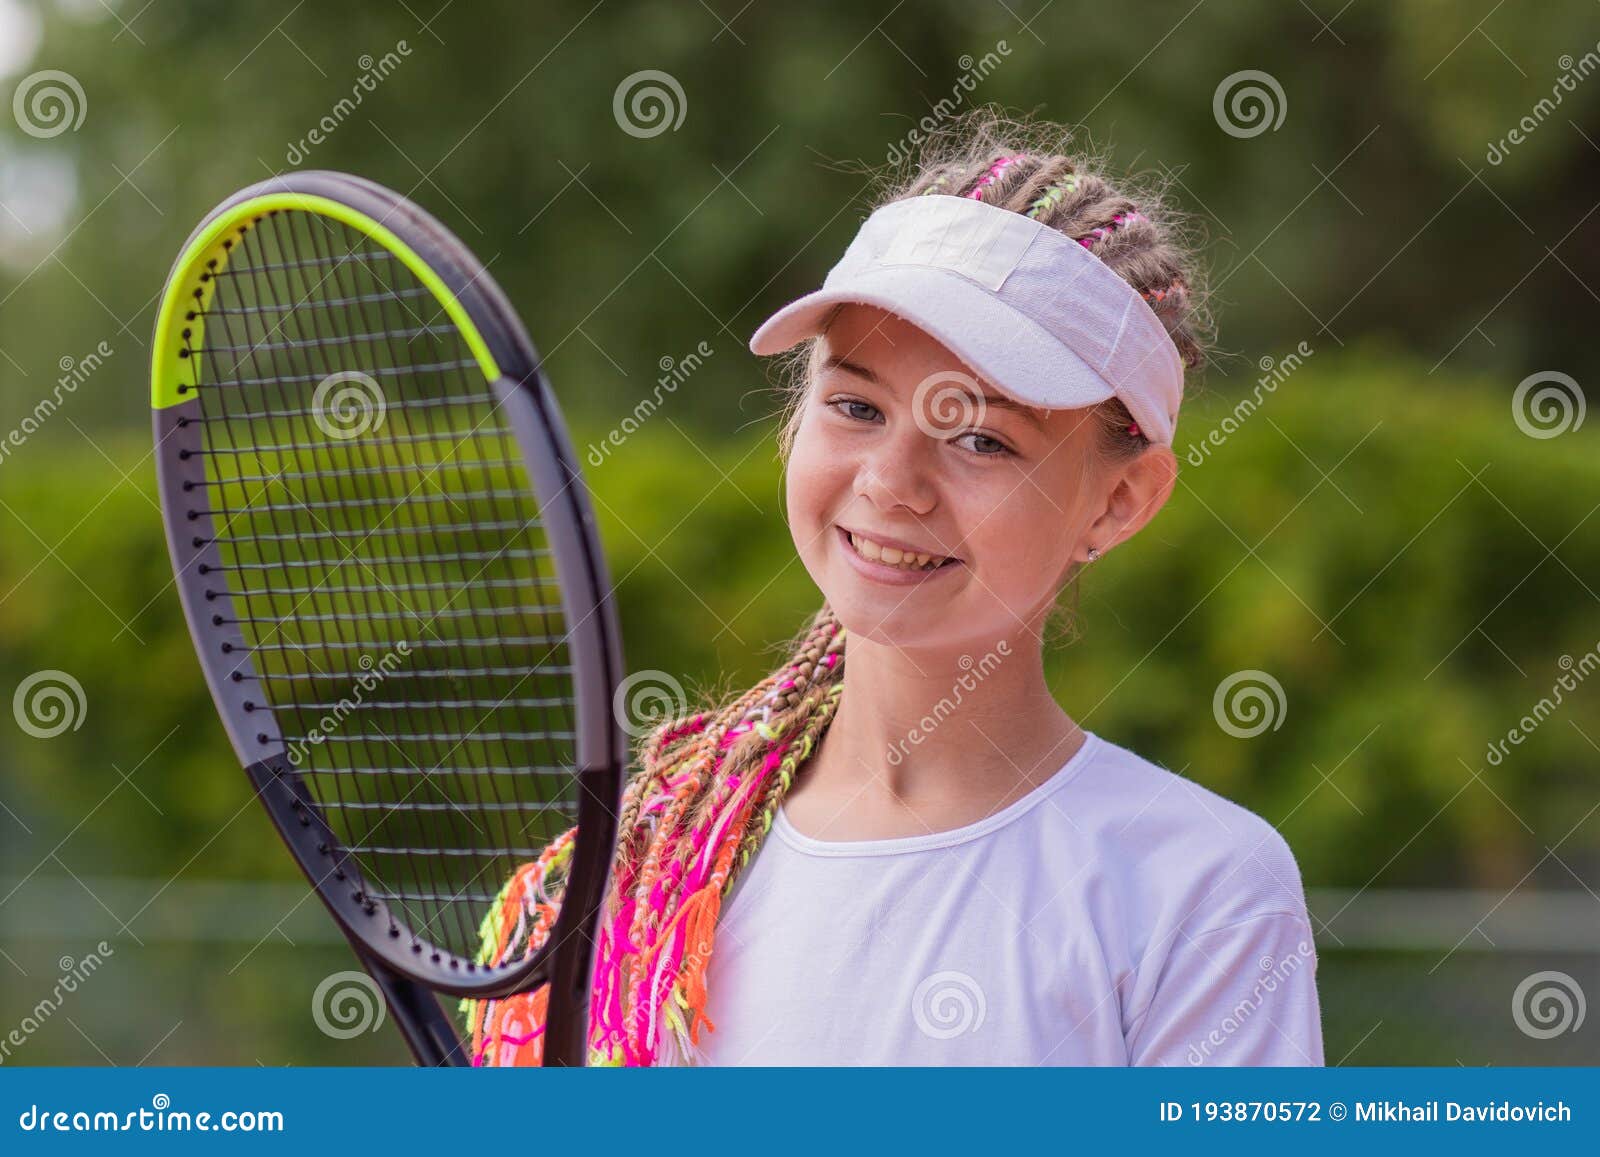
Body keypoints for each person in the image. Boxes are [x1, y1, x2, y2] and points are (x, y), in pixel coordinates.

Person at [464, 109, 1325, 1068]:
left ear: (1118, 500)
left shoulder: (1198, 887)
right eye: (856, 406)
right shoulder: (643, 876)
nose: (891, 481)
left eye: (982, 439)